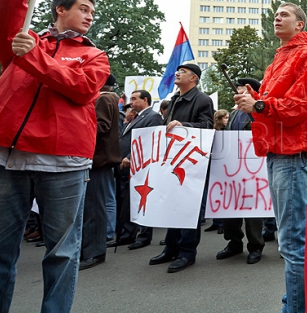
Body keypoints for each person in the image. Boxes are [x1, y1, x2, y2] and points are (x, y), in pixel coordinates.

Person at [0, 0, 111, 312]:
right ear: (61, 9)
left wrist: (34, 56)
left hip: (63, 163)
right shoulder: (25, 38)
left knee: (61, 255)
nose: (90, 16)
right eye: (84, 9)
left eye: (92, 12)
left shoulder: (94, 55)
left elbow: (82, 88)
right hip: (6, 159)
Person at [234, 2, 307, 313]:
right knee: (291, 239)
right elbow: (274, 103)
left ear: (300, 24)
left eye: (285, 14)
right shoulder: (279, 58)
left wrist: (259, 106)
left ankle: (298, 307)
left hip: (292, 156)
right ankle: (295, 300)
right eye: (276, 14)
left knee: (292, 242)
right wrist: (253, 99)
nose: (277, 17)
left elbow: (301, 105)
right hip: (277, 154)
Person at [149, 63, 214, 273]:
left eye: (182, 72)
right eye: (178, 71)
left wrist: (183, 126)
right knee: (173, 204)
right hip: (173, 160)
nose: (177, 74)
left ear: (193, 78)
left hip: (192, 163)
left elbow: (207, 127)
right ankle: (171, 247)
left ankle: (187, 252)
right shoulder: (175, 98)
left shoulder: (203, 100)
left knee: (189, 208)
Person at [215, 78, 266, 264]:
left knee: (252, 209)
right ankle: (234, 242)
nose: (237, 92)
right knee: (231, 207)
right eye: (237, 89)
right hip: (233, 168)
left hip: (253, 168)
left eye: (242, 89)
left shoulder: (258, 111)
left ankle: (255, 245)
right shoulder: (235, 114)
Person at [80, 74, 121, 270]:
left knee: (94, 207)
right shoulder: (108, 98)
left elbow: (100, 127)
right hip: (98, 160)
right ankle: (90, 249)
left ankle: (94, 252)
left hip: (98, 160)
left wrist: (77, 123)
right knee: (94, 205)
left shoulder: (104, 99)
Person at [113, 90, 163, 249]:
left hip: (142, 167)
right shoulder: (134, 117)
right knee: (128, 201)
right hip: (126, 166)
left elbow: (148, 141)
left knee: (143, 200)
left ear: (145, 100)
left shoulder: (152, 116)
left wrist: (130, 156)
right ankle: (126, 234)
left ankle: (144, 236)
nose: (131, 102)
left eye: (134, 99)